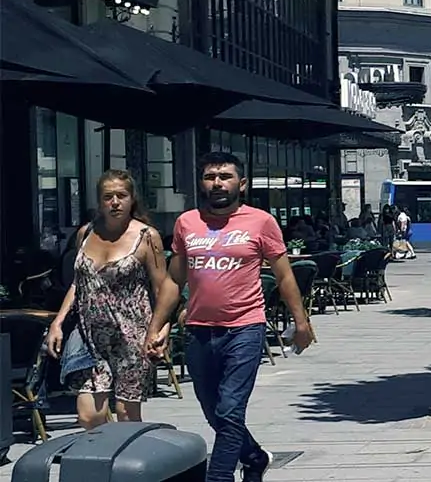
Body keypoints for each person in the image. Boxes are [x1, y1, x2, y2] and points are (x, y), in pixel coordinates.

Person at [171, 153, 313, 482]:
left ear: (242, 184)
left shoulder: (261, 222)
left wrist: (301, 322)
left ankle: (218, 477)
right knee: (214, 413)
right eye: (210, 177)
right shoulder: (187, 223)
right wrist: (157, 324)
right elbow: (172, 279)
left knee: (229, 410)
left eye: (225, 176)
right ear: (201, 183)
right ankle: (254, 457)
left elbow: (284, 275)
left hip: (244, 328)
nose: (217, 183)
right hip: (199, 331)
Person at [44, 171, 178, 430]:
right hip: (89, 335)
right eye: (108, 197)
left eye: (121, 196)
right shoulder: (86, 233)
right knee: (89, 416)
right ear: (99, 201)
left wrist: (162, 329)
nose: (115, 202)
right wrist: (58, 322)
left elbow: (163, 288)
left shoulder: (147, 237)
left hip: (132, 334)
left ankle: (128, 466)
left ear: (132, 199)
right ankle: (101, 462)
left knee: (127, 416)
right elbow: (78, 283)